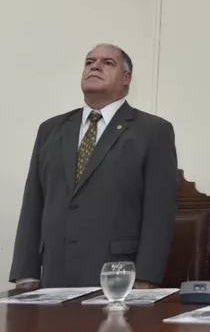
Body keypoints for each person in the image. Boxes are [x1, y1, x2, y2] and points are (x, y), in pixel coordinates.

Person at [9, 44, 179, 288]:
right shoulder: (50, 130)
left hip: (117, 280)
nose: (95, 67)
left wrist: (146, 277)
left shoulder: (153, 131)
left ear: (127, 78)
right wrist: (26, 273)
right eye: (89, 62)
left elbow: (159, 212)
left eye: (107, 63)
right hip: (54, 278)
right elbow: (33, 203)